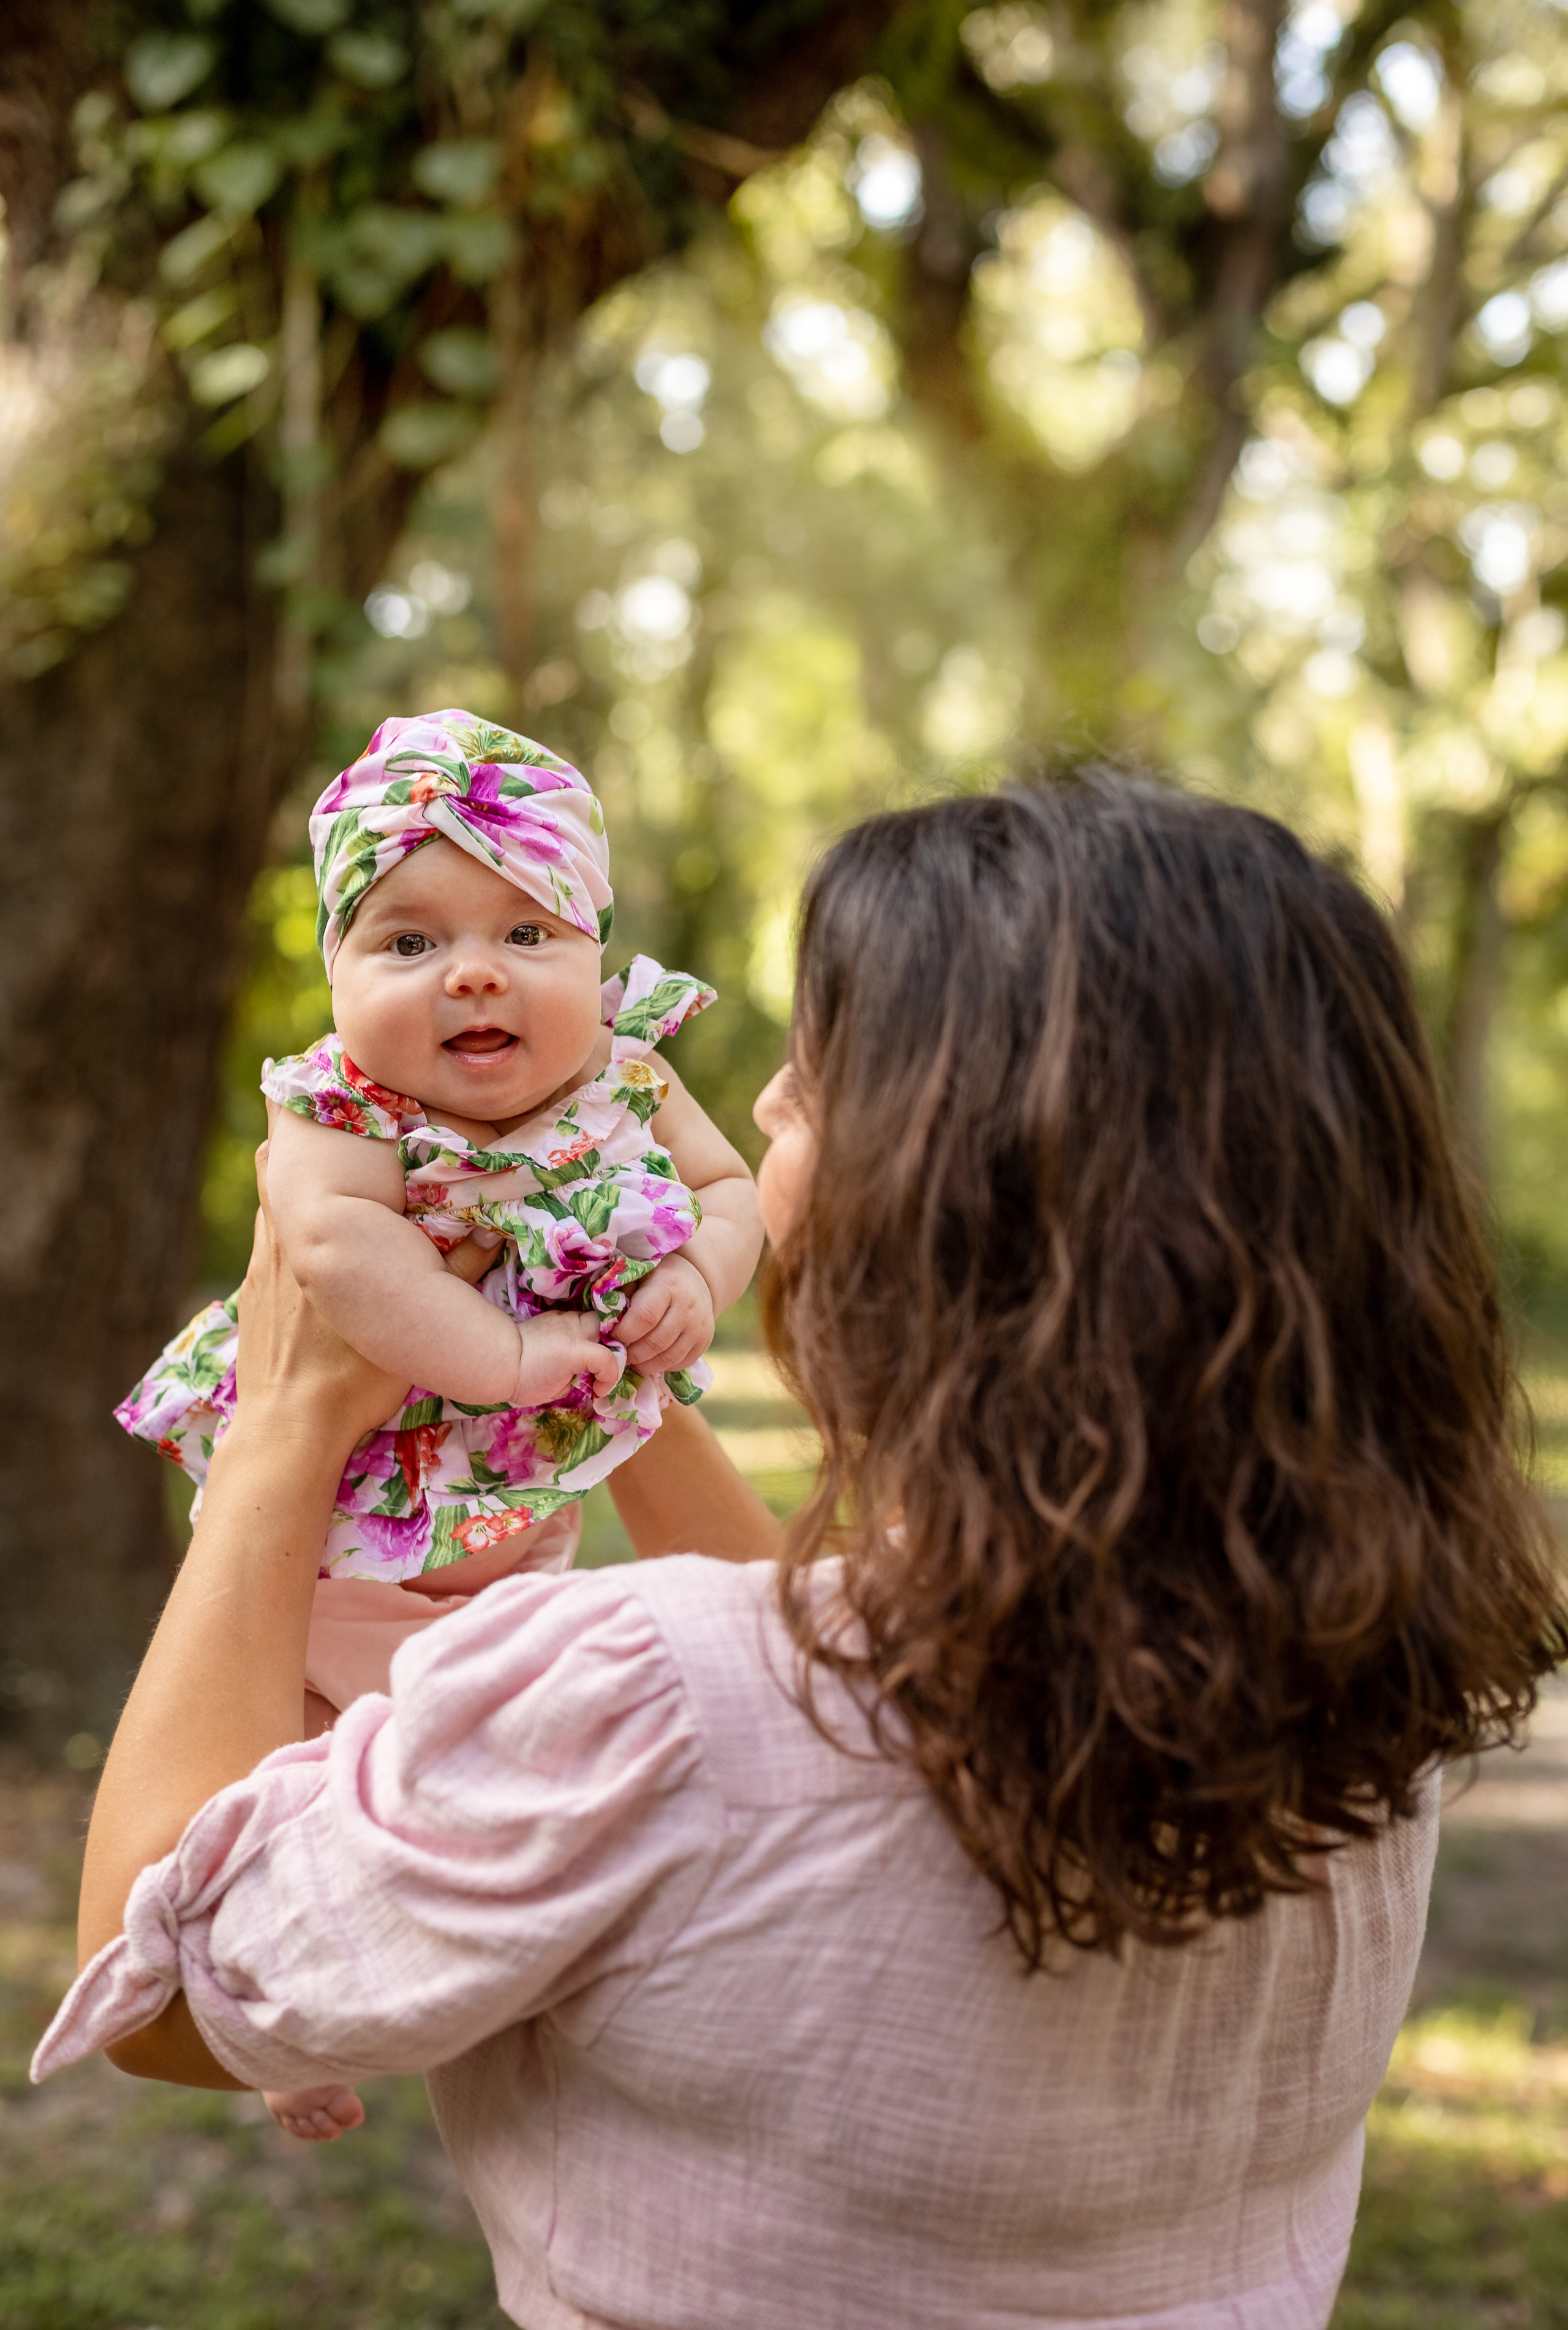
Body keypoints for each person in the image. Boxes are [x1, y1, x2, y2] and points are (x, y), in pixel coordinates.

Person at [35, 774, 1564, 2330]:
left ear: (944, 1197)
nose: (761, 1103)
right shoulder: (1370, 1668)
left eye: (816, 1078)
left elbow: (162, 1994)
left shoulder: (645, 1706)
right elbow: (815, 1678)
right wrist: (598, 1363)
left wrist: (287, 1423)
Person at [110, 706, 763, 2141]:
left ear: (598, 959)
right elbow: (343, 1256)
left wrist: (693, 1283)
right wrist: (507, 1352)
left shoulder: (631, 1082)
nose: (471, 968)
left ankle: (504, 1975)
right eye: (405, 943)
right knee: (272, 1770)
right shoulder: (344, 1110)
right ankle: (267, 2018)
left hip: (500, 1566)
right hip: (323, 1559)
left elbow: (731, 1195)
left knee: (486, 1770)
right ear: (338, 975)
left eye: (528, 933)